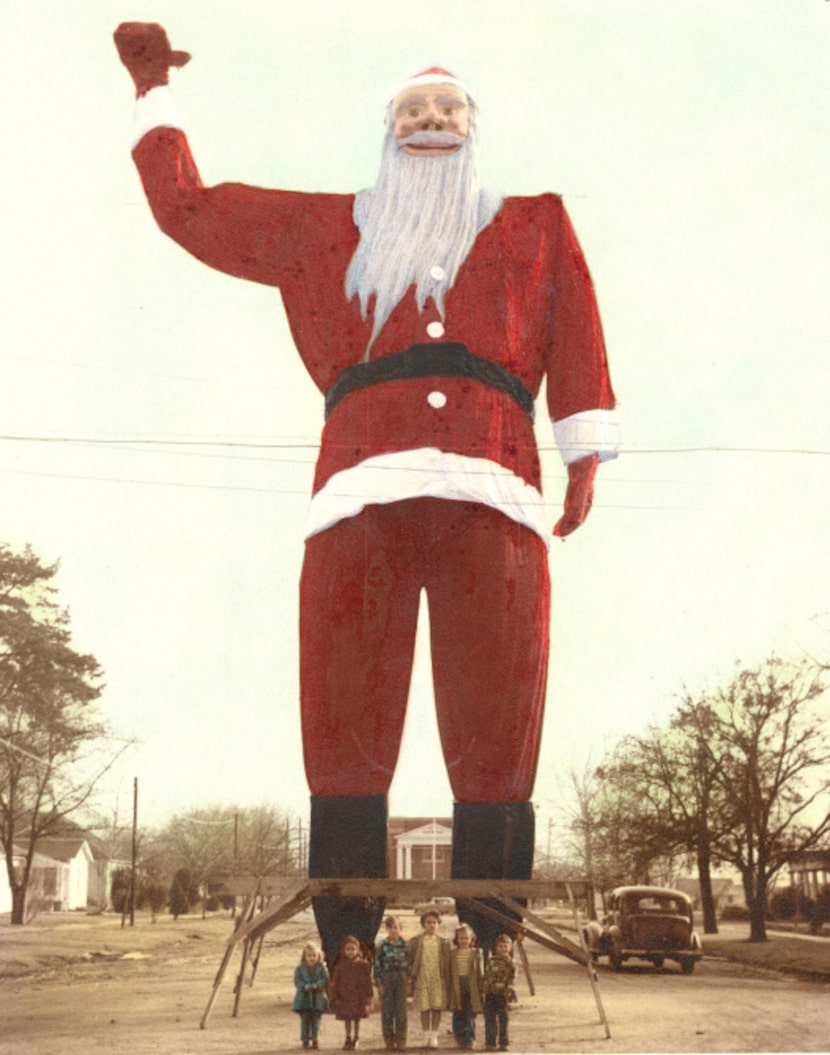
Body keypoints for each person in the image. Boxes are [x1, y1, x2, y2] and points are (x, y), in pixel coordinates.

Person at [113, 23, 621, 958]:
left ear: (475, 127)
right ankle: (346, 936)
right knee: (344, 712)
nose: (432, 121)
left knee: (499, 716)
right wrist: (153, 86)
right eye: (412, 111)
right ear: (388, 132)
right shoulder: (326, 227)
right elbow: (190, 211)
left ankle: (493, 935)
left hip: (496, 493)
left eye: (449, 109)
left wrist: (583, 447)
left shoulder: (535, 223)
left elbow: (576, 326)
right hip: (358, 493)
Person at [408, 910, 452, 1049]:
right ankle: (426, 1035)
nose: (431, 925)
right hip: (423, 978)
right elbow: (410, 959)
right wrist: (412, 975)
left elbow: (447, 962)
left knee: (436, 1007)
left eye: (434, 922)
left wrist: (446, 979)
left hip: (438, 979)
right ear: (423, 924)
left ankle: (434, 1036)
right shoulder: (416, 941)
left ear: (438, 925)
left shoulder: (443, 942)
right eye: (428, 922)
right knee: (425, 1008)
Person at [330, 936, 374, 1050]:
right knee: (347, 1018)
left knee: (356, 1017)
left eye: (353, 949)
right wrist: (335, 996)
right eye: (348, 949)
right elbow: (336, 982)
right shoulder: (340, 966)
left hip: (358, 996)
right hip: (345, 996)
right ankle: (348, 1037)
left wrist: (369, 995)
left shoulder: (363, 965)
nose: (350, 952)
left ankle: (356, 1037)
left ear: (357, 950)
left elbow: (368, 981)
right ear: (344, 951)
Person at [374, 915, 410, 1051]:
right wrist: (379, 983)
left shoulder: (405, 945)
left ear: (400, 929)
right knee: (387, 1011)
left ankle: (401, 1040)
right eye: (390, 927)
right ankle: (389, 1039)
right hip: (387, 978)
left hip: (401, 978)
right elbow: (377, 965)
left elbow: (409, 965)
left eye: (396, 927)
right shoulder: (382, 945)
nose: (393, 930)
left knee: (401, 1011)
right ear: (387, 929)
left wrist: (409, 982)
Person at [448, 924, 483, 1050]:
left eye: (466, 938)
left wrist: (481, 988)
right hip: (458, 986)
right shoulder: (453, 954)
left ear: (471, 939)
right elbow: (449, 972)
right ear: (456, 939)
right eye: (461, 938)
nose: (463, 941)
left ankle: (470, 1039)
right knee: (458, 1013)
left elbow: (480, 972)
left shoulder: (476, 953)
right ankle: (460, 1038)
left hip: (471, 986)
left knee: (470, 1014)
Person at [293, 941, 330, 1050]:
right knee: (305, 1020)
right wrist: (304, 986)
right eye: (309, 955)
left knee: (316, 1019)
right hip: (304, 998)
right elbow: (297, 980)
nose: (312, 958)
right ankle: (305, 1039)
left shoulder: (322, 968)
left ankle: (315, 1038)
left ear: (318, 956)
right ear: (304, 956)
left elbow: (325, 980)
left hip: (317, 997)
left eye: (314, 955)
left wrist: (317, 985)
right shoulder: (300, 968)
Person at [482, 935, 516, 1052]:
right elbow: (486, 975)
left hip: (503, 994)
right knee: (489, 1018)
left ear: (510, 948)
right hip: (490, 993)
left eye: (505, 946)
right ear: (496, 948)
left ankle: (503, 1042)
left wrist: (509, 990)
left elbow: (513, 978)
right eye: (500, 946)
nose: (503, 949)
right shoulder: (491, 961)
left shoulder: (511, 962)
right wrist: (485, 988)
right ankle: (490, 1042)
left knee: (503, 1019)